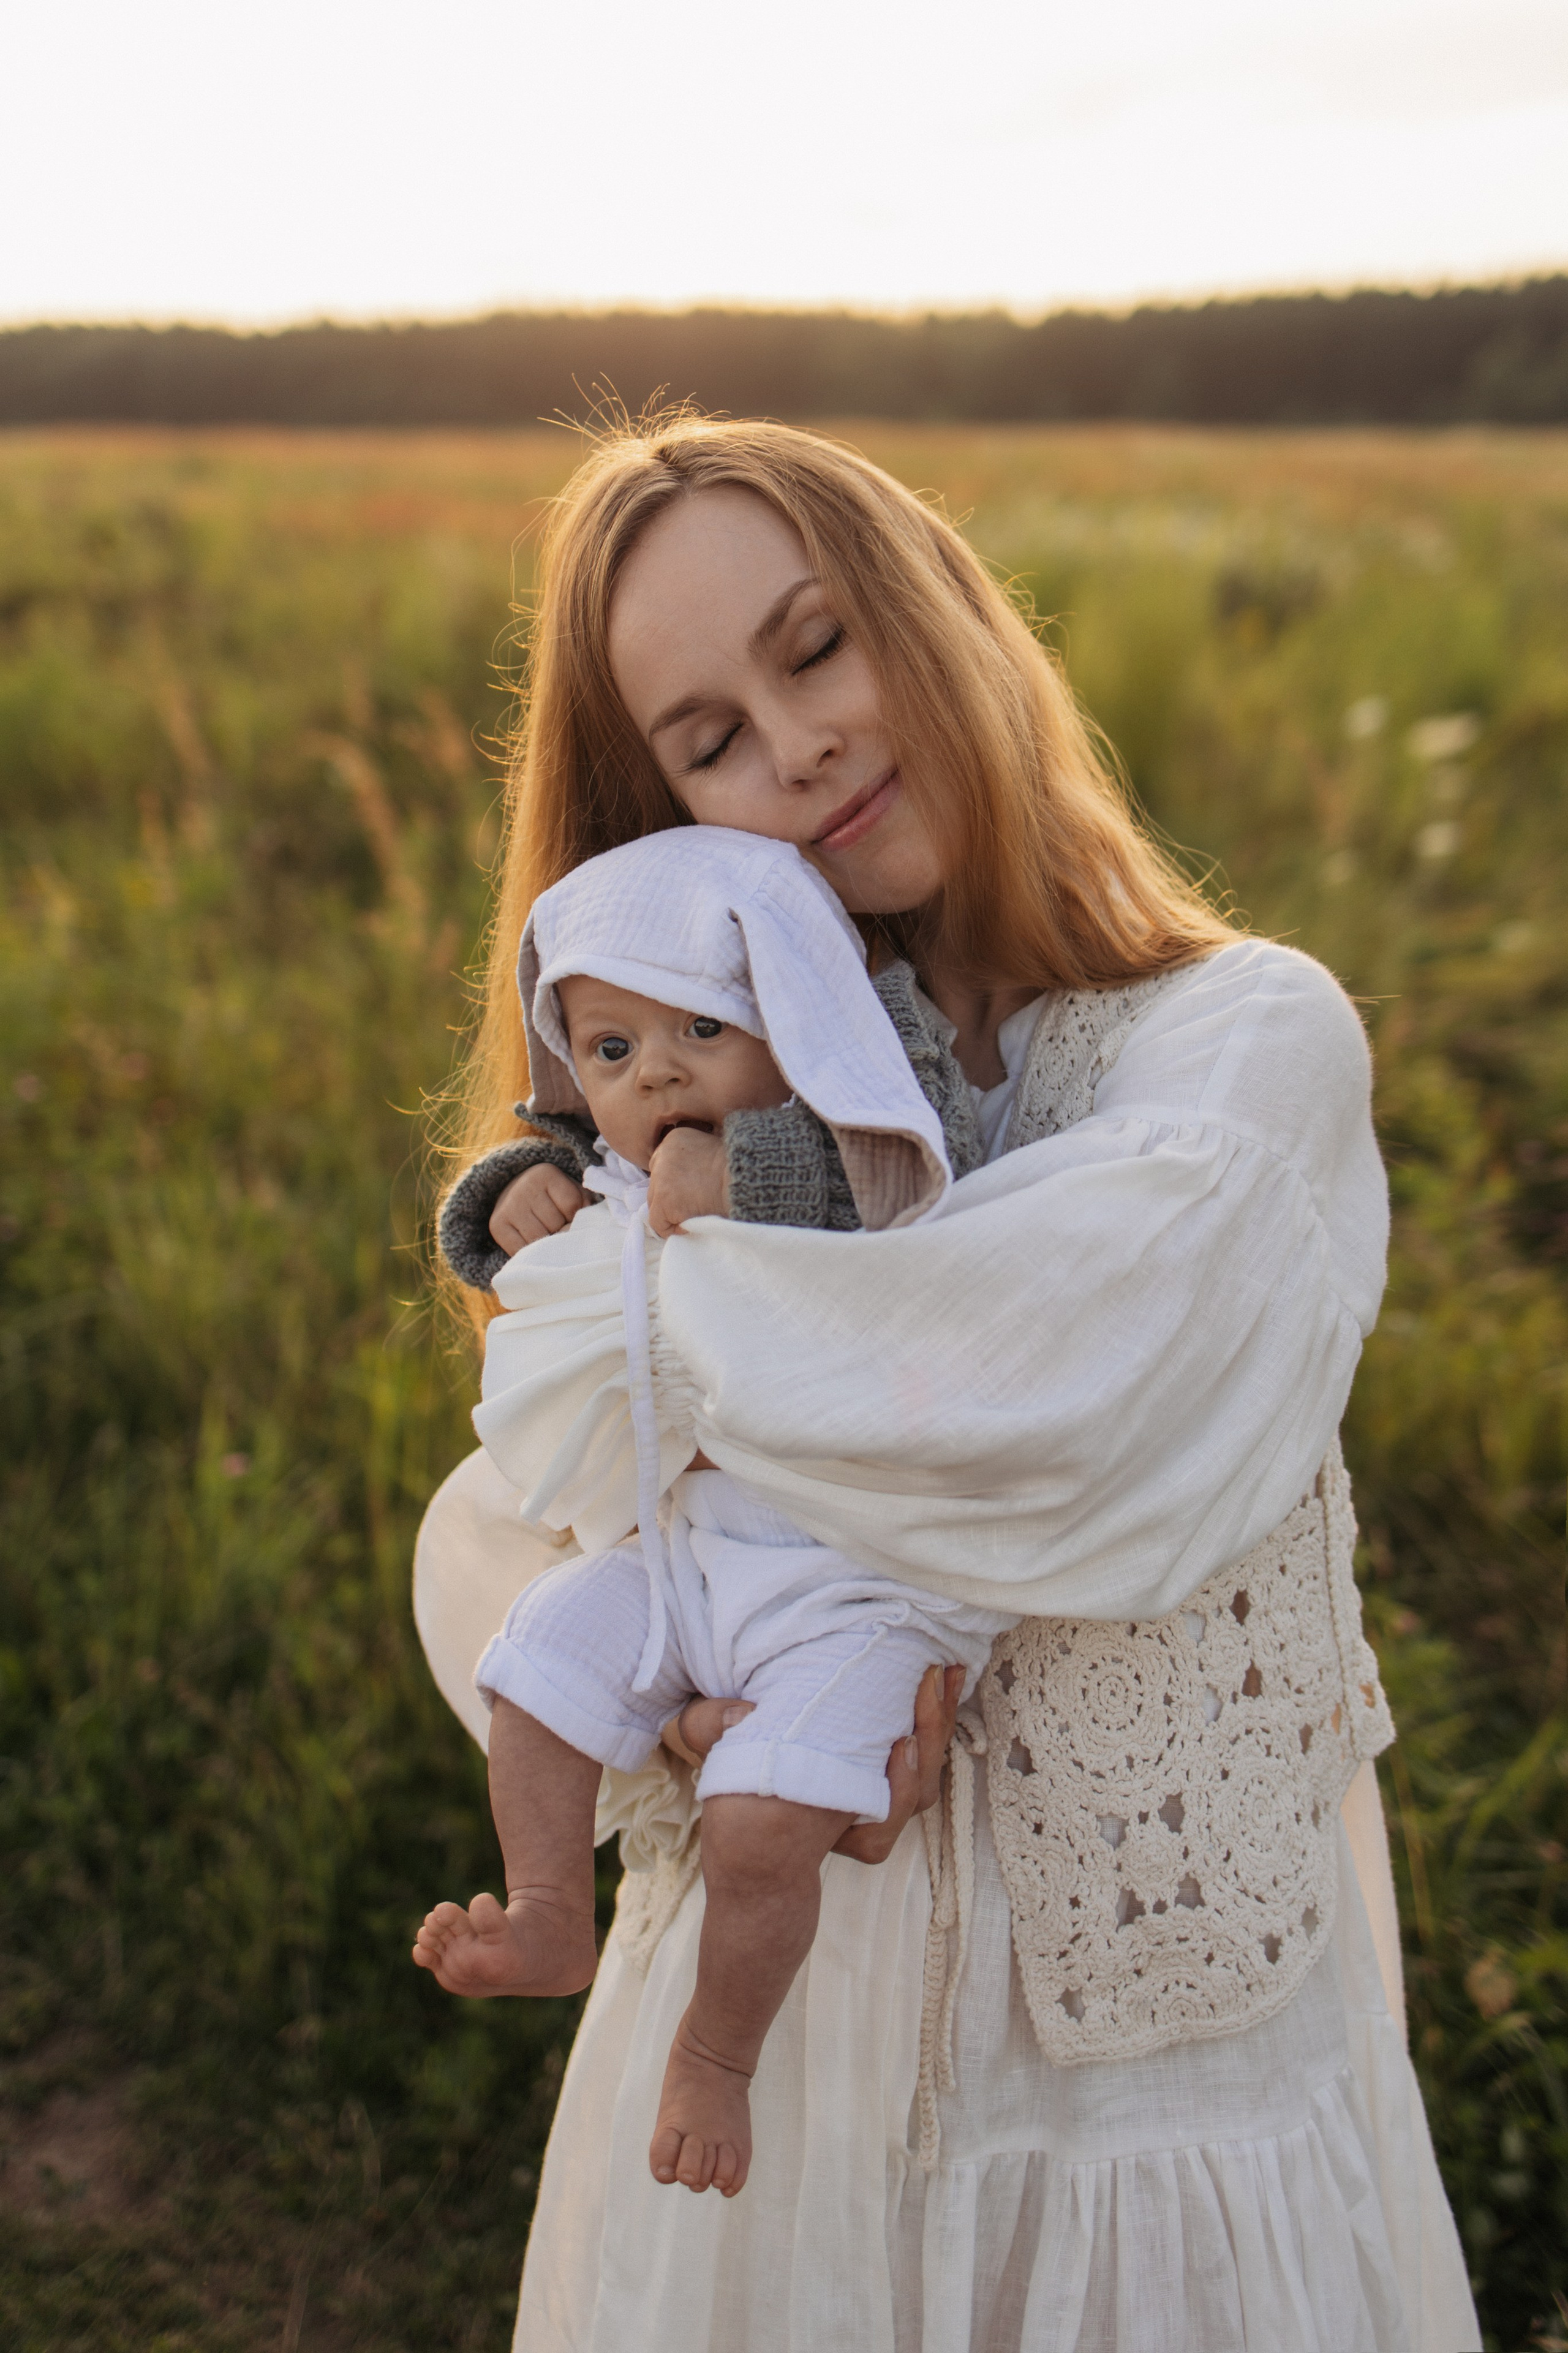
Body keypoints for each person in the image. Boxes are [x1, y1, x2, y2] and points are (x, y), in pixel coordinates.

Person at [415, 415, 1479, 2351]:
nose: (795, 743)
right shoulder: (715, 1102)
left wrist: (672, 1282)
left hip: (1155, 2104)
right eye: (710, 740)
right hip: (769, 2073)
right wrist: (673, 1703)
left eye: (818, 648)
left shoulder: (1246, 1047)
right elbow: (513, 1500)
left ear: (944, 614)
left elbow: (1063, 1389)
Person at [414, 825, 1017, 2200]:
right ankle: (550, 1911)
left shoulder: (852, 1147)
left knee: (758, 1824)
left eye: (702, 1024)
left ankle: (719, 2053)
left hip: (847, 1594)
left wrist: (746, 1176)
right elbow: (501, 1222)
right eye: (611, 1050)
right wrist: (512, 1197)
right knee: (539, 1662)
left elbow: (889, 1199)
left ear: (792, 1020)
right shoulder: (607, 1168)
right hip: (679, 1561)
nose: (660, 1074)